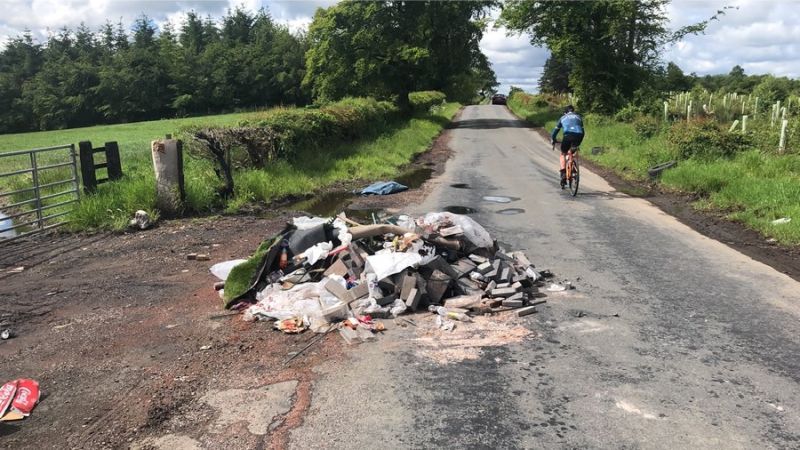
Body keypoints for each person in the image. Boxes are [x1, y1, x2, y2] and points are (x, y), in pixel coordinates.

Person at [551, 105, 584, 188]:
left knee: (563, 153)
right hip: (579, 135)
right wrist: (579, 142)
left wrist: (553, 139)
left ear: (565, 112)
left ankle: (563, 174)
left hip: (568, 135)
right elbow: (582, 131)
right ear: (573, 111)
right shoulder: (578, 117)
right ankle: (573, 164)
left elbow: (555, 131)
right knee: (574, 149)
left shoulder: (563, 117)